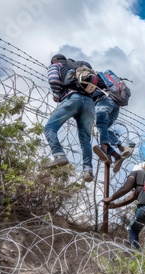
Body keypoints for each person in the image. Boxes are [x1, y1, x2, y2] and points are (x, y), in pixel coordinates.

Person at [44, 54, 95, 182]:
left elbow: (54, 80)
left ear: (54, 60)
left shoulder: (57, 65)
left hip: (72, 99)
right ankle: (87, 170)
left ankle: (59, 155)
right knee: (85, 140)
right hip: (89, 103)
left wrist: (57, 94)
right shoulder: (80, 68)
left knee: (50, 127)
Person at [92, 73, 133, 173]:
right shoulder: (108, 79)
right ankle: (118, 153)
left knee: (101, 123)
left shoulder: (93, 77)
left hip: (105, 100)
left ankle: (104, 150)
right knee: (104, 129)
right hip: (116, 106)